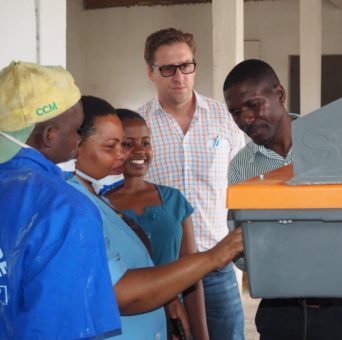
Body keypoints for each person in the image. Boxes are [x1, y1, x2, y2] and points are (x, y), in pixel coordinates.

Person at [68, 95, 243, 340]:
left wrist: (170, 299)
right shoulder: (74, 204)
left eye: (126, 144)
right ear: (75, 144)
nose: (122, 154)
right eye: (113, 146)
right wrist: (214, 256)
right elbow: (120, 291)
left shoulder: (98, 199)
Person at [224, 59, 342, 340]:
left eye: (253, 105)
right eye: (235, 112)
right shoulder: (242, 167)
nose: (245, 119)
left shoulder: (335, 146)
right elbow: (240, 249)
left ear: (279, 94)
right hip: (280, 311)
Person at [139, 27, 246, 339]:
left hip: (218, 267)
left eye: (186, 65)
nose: (179, 76)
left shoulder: (224, 118)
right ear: (151, 72)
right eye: (168, 68)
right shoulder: (137, 126)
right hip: (162, 270)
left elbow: (240, 186)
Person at [0, 61, 120, 339]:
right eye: (78, 129)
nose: (79, 138)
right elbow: (63, 326)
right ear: (49, 135)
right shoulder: (67, 210)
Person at [106, 109, 209, 340]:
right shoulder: (102, 205)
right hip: (127, 324)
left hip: (176, 323)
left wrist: (201, 334)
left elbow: (191, 275)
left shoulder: (174, 201)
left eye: (146, 142)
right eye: (128, 143)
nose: (140, 150)